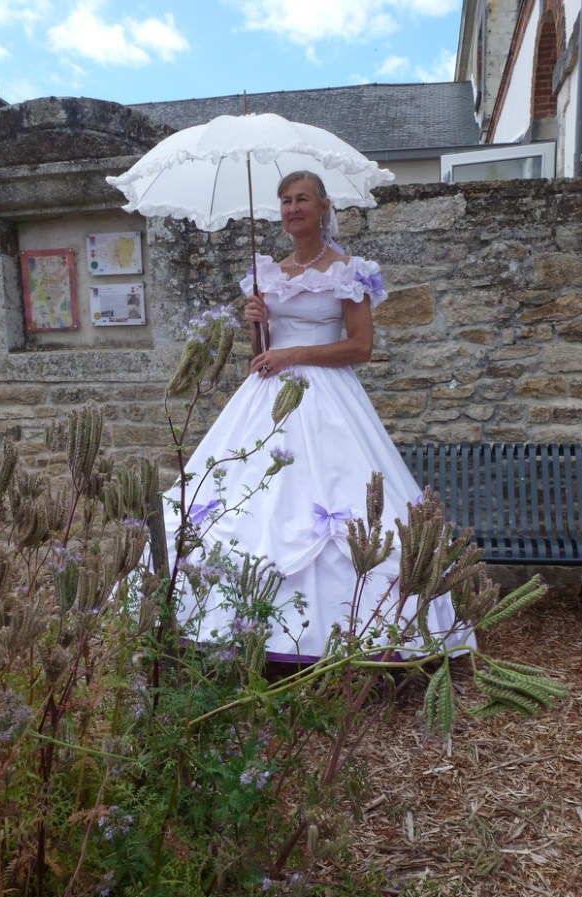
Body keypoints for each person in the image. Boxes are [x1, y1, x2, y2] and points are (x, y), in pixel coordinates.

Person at [160, 170, 474, 663]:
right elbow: (261, 354)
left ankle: (353, 635)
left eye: (302, 199)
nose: (292, 208)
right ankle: (236, 629)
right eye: (284, 200)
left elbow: (361, 347)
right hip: (265, 400)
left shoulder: (349, 271)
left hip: (328, 400)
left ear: (324, 206)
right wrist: (257, 327)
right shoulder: (268, 274)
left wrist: (295, 354)